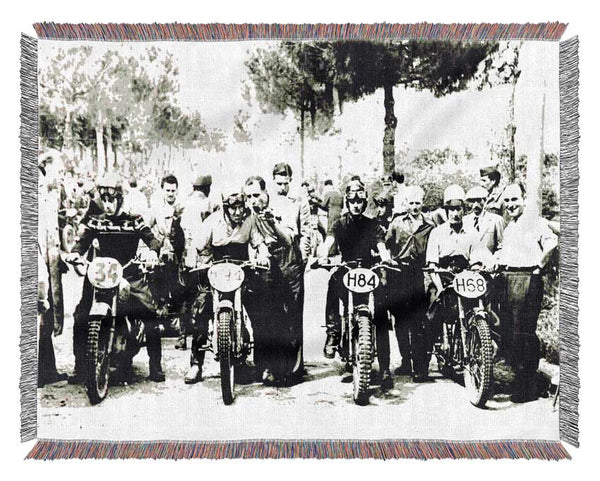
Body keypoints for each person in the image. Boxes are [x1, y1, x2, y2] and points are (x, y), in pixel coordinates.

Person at [66, 173, 166, 383]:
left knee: (150, 314)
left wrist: (152, 252)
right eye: (104, 199)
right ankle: (80, 366)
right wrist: (75, 253)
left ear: (120, 198)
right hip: (102, 274)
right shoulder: (96, 221)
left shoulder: (134, 220)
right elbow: (83, 241)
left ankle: (155, 365)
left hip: (129, 273)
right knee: (81, 315)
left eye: (111, 199)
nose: (107, 204)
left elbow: (152, 240)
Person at [182, 185, 268, 384]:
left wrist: (262, 255)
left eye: (240, 207)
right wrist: (192, 259)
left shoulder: (250, 219)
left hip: (241, 270)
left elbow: (259, 243)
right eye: (233, 208)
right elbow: (197, 245)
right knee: (201, 309)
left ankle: (262, 364)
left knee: (260, 309)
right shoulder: (213, 221)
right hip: (216, 271)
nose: (237, 212)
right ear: (225, 208)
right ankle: (196, 364)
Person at [318, 179, 395, 389]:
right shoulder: (339, 223)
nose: (356, 204)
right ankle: (333, 334)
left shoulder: (372, 224)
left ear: (364, 201)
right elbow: (329, 241)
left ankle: (385, 368)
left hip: (369, 270)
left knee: (380, 313)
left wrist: (385, 257)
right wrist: (322, 255)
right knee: (333, 284)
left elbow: (380, 244)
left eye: (359, 200)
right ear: (347, 201)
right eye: (352, 200)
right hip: (347, 268)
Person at [495, 183, 558, 402]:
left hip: (527, 279)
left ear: (524, 199)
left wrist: (539, 266)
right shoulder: (509, 226)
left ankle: (528, 388)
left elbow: (551, 243)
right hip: (508, 279)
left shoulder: (536, 222)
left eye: (514, 199)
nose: (510, 204)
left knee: (524, 332)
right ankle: (520, 381)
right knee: (509, 331)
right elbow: (505, 252)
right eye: (507, 200)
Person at [420, 184, 489, 380]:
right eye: (450, 209)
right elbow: (432, 264)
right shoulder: (437, 233)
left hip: (465, 276)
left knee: (479, 307)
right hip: (441, 277)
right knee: (432, 314)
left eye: (458, 209)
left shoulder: (472, 233)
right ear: (445, 210)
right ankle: (422, 364)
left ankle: (479, 346)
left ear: (463, 210)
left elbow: (477, 258)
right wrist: (440, 286)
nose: (455, 213)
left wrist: (478, 266)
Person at [245, 176, 305, 385]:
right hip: (266, 265)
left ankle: (294, 371)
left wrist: (273, 222)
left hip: (288, 262)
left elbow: (289, 239)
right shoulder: (249, 213)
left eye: (256, 195)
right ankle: (268, 367)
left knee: (292, 316)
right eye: (248, 196)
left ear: (265, 192)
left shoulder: (283, 205)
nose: (252, 200)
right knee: (268, 316)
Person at [385, 185, 434, 380]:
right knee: (400, 320)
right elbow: (387, 244)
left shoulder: (429, 225)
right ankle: (406, 361)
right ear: (406, 204)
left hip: (418, 274)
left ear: (422, 203)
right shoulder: (397, 223)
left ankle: (419, 366)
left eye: (417, 203)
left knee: (418, 320)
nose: (414, 206)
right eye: (411, 203)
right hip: (398, 274)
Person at [37, 153, 67, 387]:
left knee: (47, 317)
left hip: (49, 262)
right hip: (38, 263)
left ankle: (48, 371)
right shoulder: (35, 193)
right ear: (46, 167)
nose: (62, 176)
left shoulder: (49, 194)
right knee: (38, 316)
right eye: (60, 171)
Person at [177, 174, 216, 350]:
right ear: (207, 188)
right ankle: (206, 335)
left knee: (186, 297)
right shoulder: (209, 204)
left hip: (186, 255)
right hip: (204, 256)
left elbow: (176, 232)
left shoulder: (183, 204)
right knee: (204, 297)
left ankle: (182, 337)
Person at [148, 174, 186, 341]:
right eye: (167, 190)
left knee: (180, 289)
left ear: (177, 190)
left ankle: (182, 331)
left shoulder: (183, 208)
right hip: (161, 255)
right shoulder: (157, 209)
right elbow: (146, 228)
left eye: (173, 190)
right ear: (162, 190)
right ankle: (161, 321)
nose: (170, 193)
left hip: (179, 254)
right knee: (158, 285)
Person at [272, 162, 312, 263]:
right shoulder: (269, 200)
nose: (282, 188)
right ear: (273, 180)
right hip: (273, 254)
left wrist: (304, 257)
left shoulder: (300, 200)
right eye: (279, 184)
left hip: (293, 253)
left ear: (290, 180)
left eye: (286, 184)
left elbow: (305, 231)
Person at [463, 186, 505, 253]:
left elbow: (501, 246)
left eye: (478, 200)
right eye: (472, 201)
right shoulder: (465, 220)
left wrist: (494, 258)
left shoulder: (496, 220)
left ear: (485, 200)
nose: (476, 204)